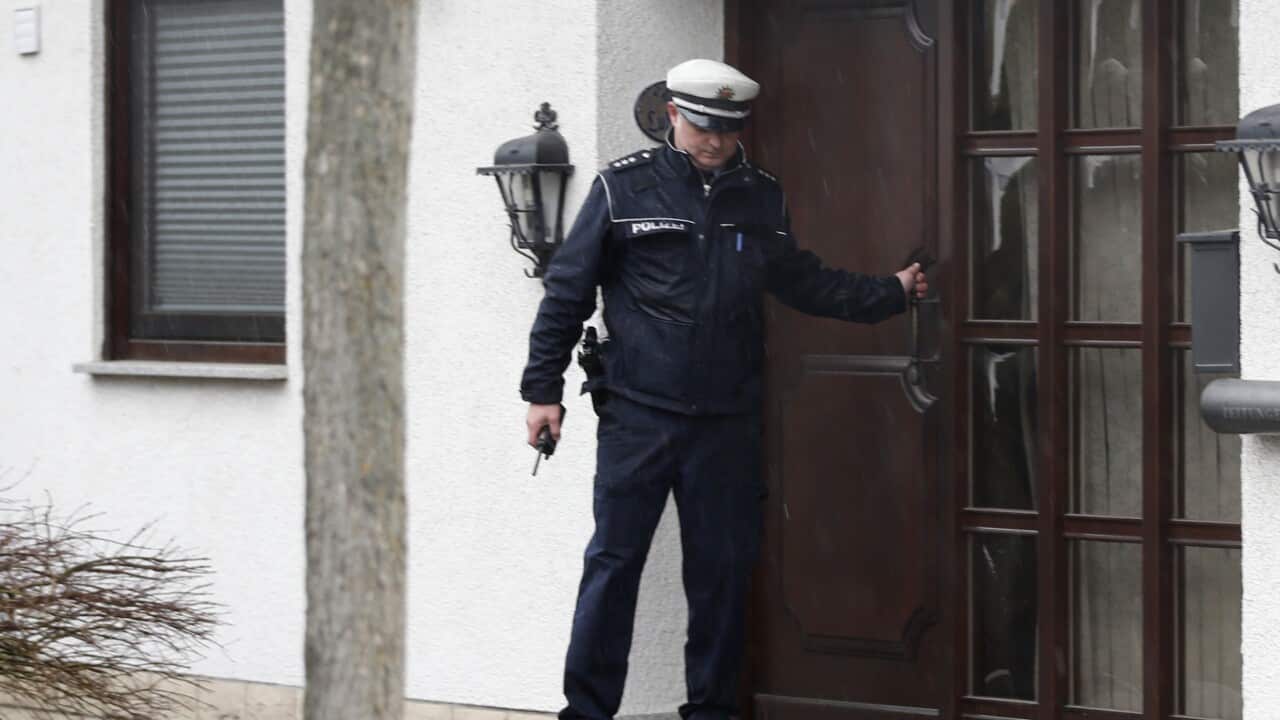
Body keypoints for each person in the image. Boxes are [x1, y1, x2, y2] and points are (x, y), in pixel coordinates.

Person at [520, 58, 928, 720]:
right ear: (674, 116)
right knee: (613, 569)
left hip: (727, 423)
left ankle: (712, 712)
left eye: (728, 131)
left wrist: (888, 293)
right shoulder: (623, 189)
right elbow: (568, 290)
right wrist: (544, 392)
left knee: (721, 579)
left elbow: (801, 278)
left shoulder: (762, 196)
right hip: (639, 417)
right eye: (704, 127)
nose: (714, 142)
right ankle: (587, 712)